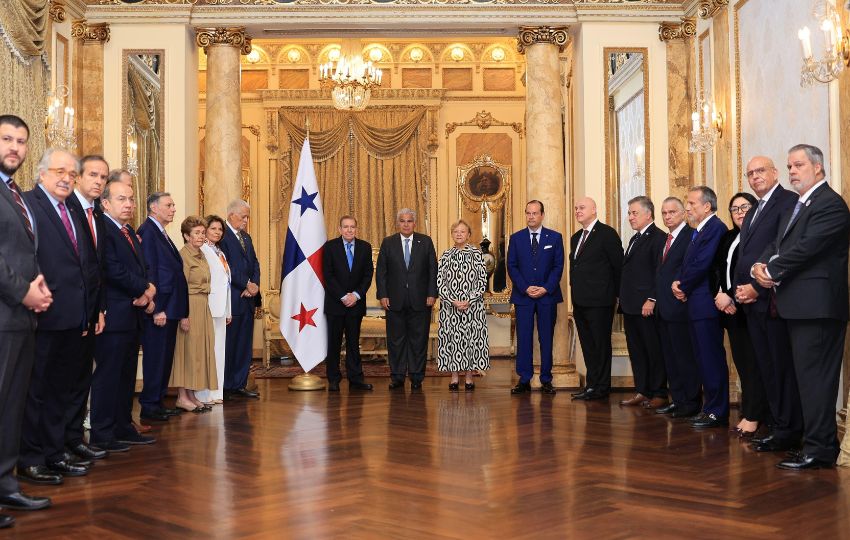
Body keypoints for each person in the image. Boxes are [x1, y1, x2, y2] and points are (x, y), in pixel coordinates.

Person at [753, 144, 850, 470]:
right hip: (798, 306)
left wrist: (771, 270)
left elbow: (806, 249)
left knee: (816, 381)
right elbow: (779, 244)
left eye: (798, 165)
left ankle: (821, 449)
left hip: (818, 308)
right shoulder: (799, 204)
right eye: (790, 166)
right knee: (805, 379)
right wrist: (760, 265)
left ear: (818, 169)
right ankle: (813, 443)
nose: (792, 171)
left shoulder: (830, 205)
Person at [19, 148, 101, 482]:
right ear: (41, 174)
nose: (66, 178)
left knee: (60, 391)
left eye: (71, 173)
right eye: (59, 172)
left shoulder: (73, 210)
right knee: (36, 393)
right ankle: (30, 458)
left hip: (73, 318)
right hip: (42, 316)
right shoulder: (27, 204)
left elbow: (84, 264)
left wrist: (88, 313)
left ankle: (55, 453)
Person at [0, 115, 53, 524]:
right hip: (4, 314)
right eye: (6, 139)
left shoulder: (14, 193)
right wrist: (22, 290)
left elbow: (23, 252)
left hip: (20, 321)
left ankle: (7, 485)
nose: (15, 147)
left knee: (11, 406)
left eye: (21, 140)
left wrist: (38, 286)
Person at [732, 157, 801, 452]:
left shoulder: (787, 201)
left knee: (780, 367)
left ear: (775, 173)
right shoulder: (755, 209)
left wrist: (756, 288)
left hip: (772, 299)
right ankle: (775, 423)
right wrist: (741, 290)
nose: (755, 177)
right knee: (765, 367)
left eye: (761, 171)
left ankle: (787, 429)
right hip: (751, 303)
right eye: (750, 173)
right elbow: (745, 254)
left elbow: (781, 248)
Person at [90, 181, 156, 452]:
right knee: (108, 376)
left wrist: (149, 290)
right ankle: (102, 434)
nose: (129, 204)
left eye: (131, 199)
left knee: (126, 376)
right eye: (121, 199)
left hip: (133, 314)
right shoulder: (103, 229)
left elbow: (144, 266)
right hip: (114, 314)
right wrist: (144, 288)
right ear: (105, 203)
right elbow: (111, 270)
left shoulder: (128, 230)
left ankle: (123, 427)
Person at [63, 155, 108, 462]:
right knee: (64, 383)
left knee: (81, 381)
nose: (98, 181)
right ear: (78, 177)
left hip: (91, 312)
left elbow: (98, 269)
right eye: (92, 174)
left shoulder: (98, 216)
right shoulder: (69, 208)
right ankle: (59, 444)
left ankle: (74, 439)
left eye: (103, 177)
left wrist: (100, 309)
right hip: (68, 312)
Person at [711, 192, 767, 438]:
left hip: (751, 307)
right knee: (743, 365)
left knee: (756, 365)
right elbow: (717, 269)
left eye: (745, 207)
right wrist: (721, 295)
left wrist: (732, 296)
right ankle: (748, 411)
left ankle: (755, 415)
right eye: (734, 209)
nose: (740, 212)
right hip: (729, 310)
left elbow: (751, 274)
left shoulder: (759, 236)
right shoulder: (729, 237)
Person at [672, 186, 728, 429]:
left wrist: (682, 285)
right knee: (702, 359)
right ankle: (709, 408)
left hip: (705, 304)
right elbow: (689, 263)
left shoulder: (715, 228)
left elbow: (703, 264)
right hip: (695, 303)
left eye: (692, 203)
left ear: (707, 206)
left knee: (711, 358)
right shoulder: (698, 231)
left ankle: (717, 411)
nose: (688, 208)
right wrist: (679, 283)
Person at [138, 192, 189, 421]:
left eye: (173, 204)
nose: (173, 209)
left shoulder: (161, 232)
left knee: (164, 358)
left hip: (171, 308)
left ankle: (157, 402)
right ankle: (149, 406)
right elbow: (151, 271)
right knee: (156, 358)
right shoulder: (148, 232)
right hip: (160, 309)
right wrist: (157, 307)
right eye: (169, 205)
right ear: (154, 208)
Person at [375, 208, 438, 390]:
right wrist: (383, 295)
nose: (406, 224)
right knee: (396, 341)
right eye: (402, 221)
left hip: (421, 300)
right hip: (394, 301)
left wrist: (432, 293)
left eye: (409, 221)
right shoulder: (388, 243)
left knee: (418, 341)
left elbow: (433, 270)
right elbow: (381, 272)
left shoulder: (425, 242)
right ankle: (397, 377)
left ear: (414, 223)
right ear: (398, 223)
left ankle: (417, 377)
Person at [507, 200, 564, 395]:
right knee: (523, 338)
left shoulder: (555, 238)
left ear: (542, 215)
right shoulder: (516, 238)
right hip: (524, 297)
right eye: (528, 213)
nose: (531, 216)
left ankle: (546, 379)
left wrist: (546, 288)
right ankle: (524, 379)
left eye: (534, 213)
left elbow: (558, 267)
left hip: (547, 296)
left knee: (546, 337)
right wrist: (525, 287)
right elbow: (512, 266)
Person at [569, 197, 622, 401]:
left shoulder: (607, 234)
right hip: (580, 302)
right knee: (588, 346)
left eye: (582, 208)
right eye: (576, 208)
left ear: (594, 209)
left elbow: (618, 267)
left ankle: (602, 387)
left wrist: (618, 297)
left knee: (600, 345)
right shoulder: (576, 237)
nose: (578, 211)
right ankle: (592, 385)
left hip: (601, 302)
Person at [618, 196, 667, 409]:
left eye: (634, 213)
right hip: (630, 306)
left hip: (647, 306)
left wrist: (652, 298)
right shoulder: (634, 239)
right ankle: (642, 390)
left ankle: (659, 393)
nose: (630, 217)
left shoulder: (659, 238)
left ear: (648, 214)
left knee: (653, 350)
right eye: (629, 213)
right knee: (637, 350)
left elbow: (660, 273)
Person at [653, 197, 700, 419]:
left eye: (672, 212)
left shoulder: (690, 236)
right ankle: (678, 400)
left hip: (680, 308)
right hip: (664, 308)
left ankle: (690, 402)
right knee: (670, 359)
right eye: (664, 213)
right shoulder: (667, 238)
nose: (667, 216)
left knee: (684, 358)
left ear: (683, 213)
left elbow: (689, 269)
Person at [169, 216, 218, 413]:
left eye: (202, 232)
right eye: (196, 233)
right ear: (186, 236)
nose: (201, 236)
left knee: (198, 351)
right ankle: (182, 396)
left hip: (202, 305)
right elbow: (180, 287)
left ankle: (191, 394)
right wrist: (183, 315)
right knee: (186, 351)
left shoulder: (201, 254)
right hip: (189, 305)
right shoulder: (183, 256)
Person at [322, 215, 374, 392]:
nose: (349, 230)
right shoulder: (330, 247)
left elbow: (368, 275)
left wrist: (356, 295)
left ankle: (356, 379)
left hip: (356, 304)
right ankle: (334, 379)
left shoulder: (365, 247)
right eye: (346, 227)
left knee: (353, 343)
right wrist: (343, 296)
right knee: (334, 343)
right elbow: (328, 276)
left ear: (356, 229)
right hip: (336, 304)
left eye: (352, 227)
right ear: (339, 229)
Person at [437, 220, 490, 391]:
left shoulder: (477, 255)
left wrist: (469, 300)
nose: (459, 234)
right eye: (456, 231)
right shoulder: (445, 255)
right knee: (453, 341)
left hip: (472, 308)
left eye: (463, 231)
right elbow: (440, 283)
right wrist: (453, 300)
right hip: (450, 307)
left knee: (470, 341)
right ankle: (454, 377)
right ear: (452, 234)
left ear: (468, 235)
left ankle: (468, 377)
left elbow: (482, 282)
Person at [220, 199, 261, 399]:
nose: (246, 220)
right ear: (231, 215)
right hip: (233, 299)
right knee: (231, 344)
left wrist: (254, 286)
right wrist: (246, 284)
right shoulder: (222, 237)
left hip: (247, 300)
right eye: (243, 216)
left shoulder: (247, 237)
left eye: (247, 217)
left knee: (245, 345)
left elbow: (255, 264)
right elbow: (227, 268)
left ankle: (239, 383)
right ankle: (227, 386)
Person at [196, 215, 231, 404]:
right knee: (207, 352)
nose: (217, 232)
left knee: (218, 351)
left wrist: (228, 310)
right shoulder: (202, 249)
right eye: (213, 229)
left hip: (221, 308)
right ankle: (203, 394)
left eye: (220, 229)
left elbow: (226, 282)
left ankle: (216, 393)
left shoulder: (219, 252)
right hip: (207, 307)